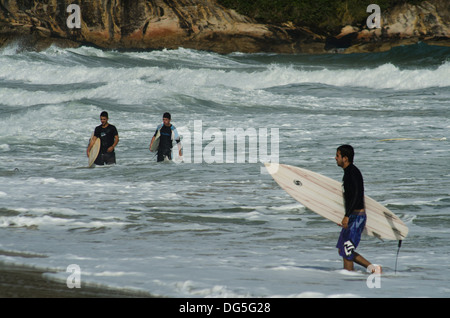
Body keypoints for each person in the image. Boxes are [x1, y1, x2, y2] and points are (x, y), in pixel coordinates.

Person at [335, 145, 381, 274]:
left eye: (337, 156)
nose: (335, 158)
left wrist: (347, 216)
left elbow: (357, 195)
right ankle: (358, 273)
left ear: (345, 158)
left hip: (356, 218)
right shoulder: (348, 172)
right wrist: (344, 217)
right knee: (343, 249)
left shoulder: (352, 173)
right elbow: (349, 198)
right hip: (352, 217)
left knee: (347, 250)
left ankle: (354, 277)